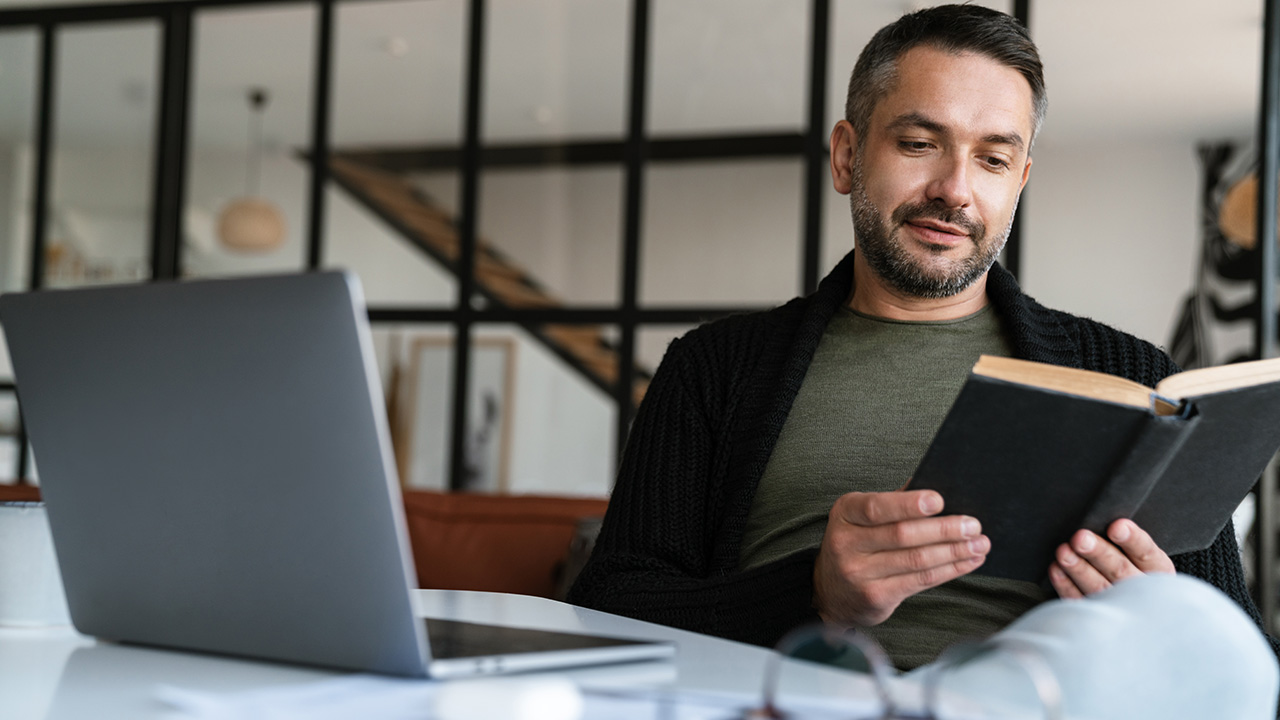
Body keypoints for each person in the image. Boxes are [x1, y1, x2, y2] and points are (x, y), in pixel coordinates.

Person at [568, 2, 1279, 705]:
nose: (954, 190)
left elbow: (1241, 654)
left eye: (992, 158)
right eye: (918, 144)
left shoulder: (1133, 375)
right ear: (848, 155)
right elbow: (607, 610)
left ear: (1018, 183)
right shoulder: (714, 369)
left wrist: (1160, 615)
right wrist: (813, 591)